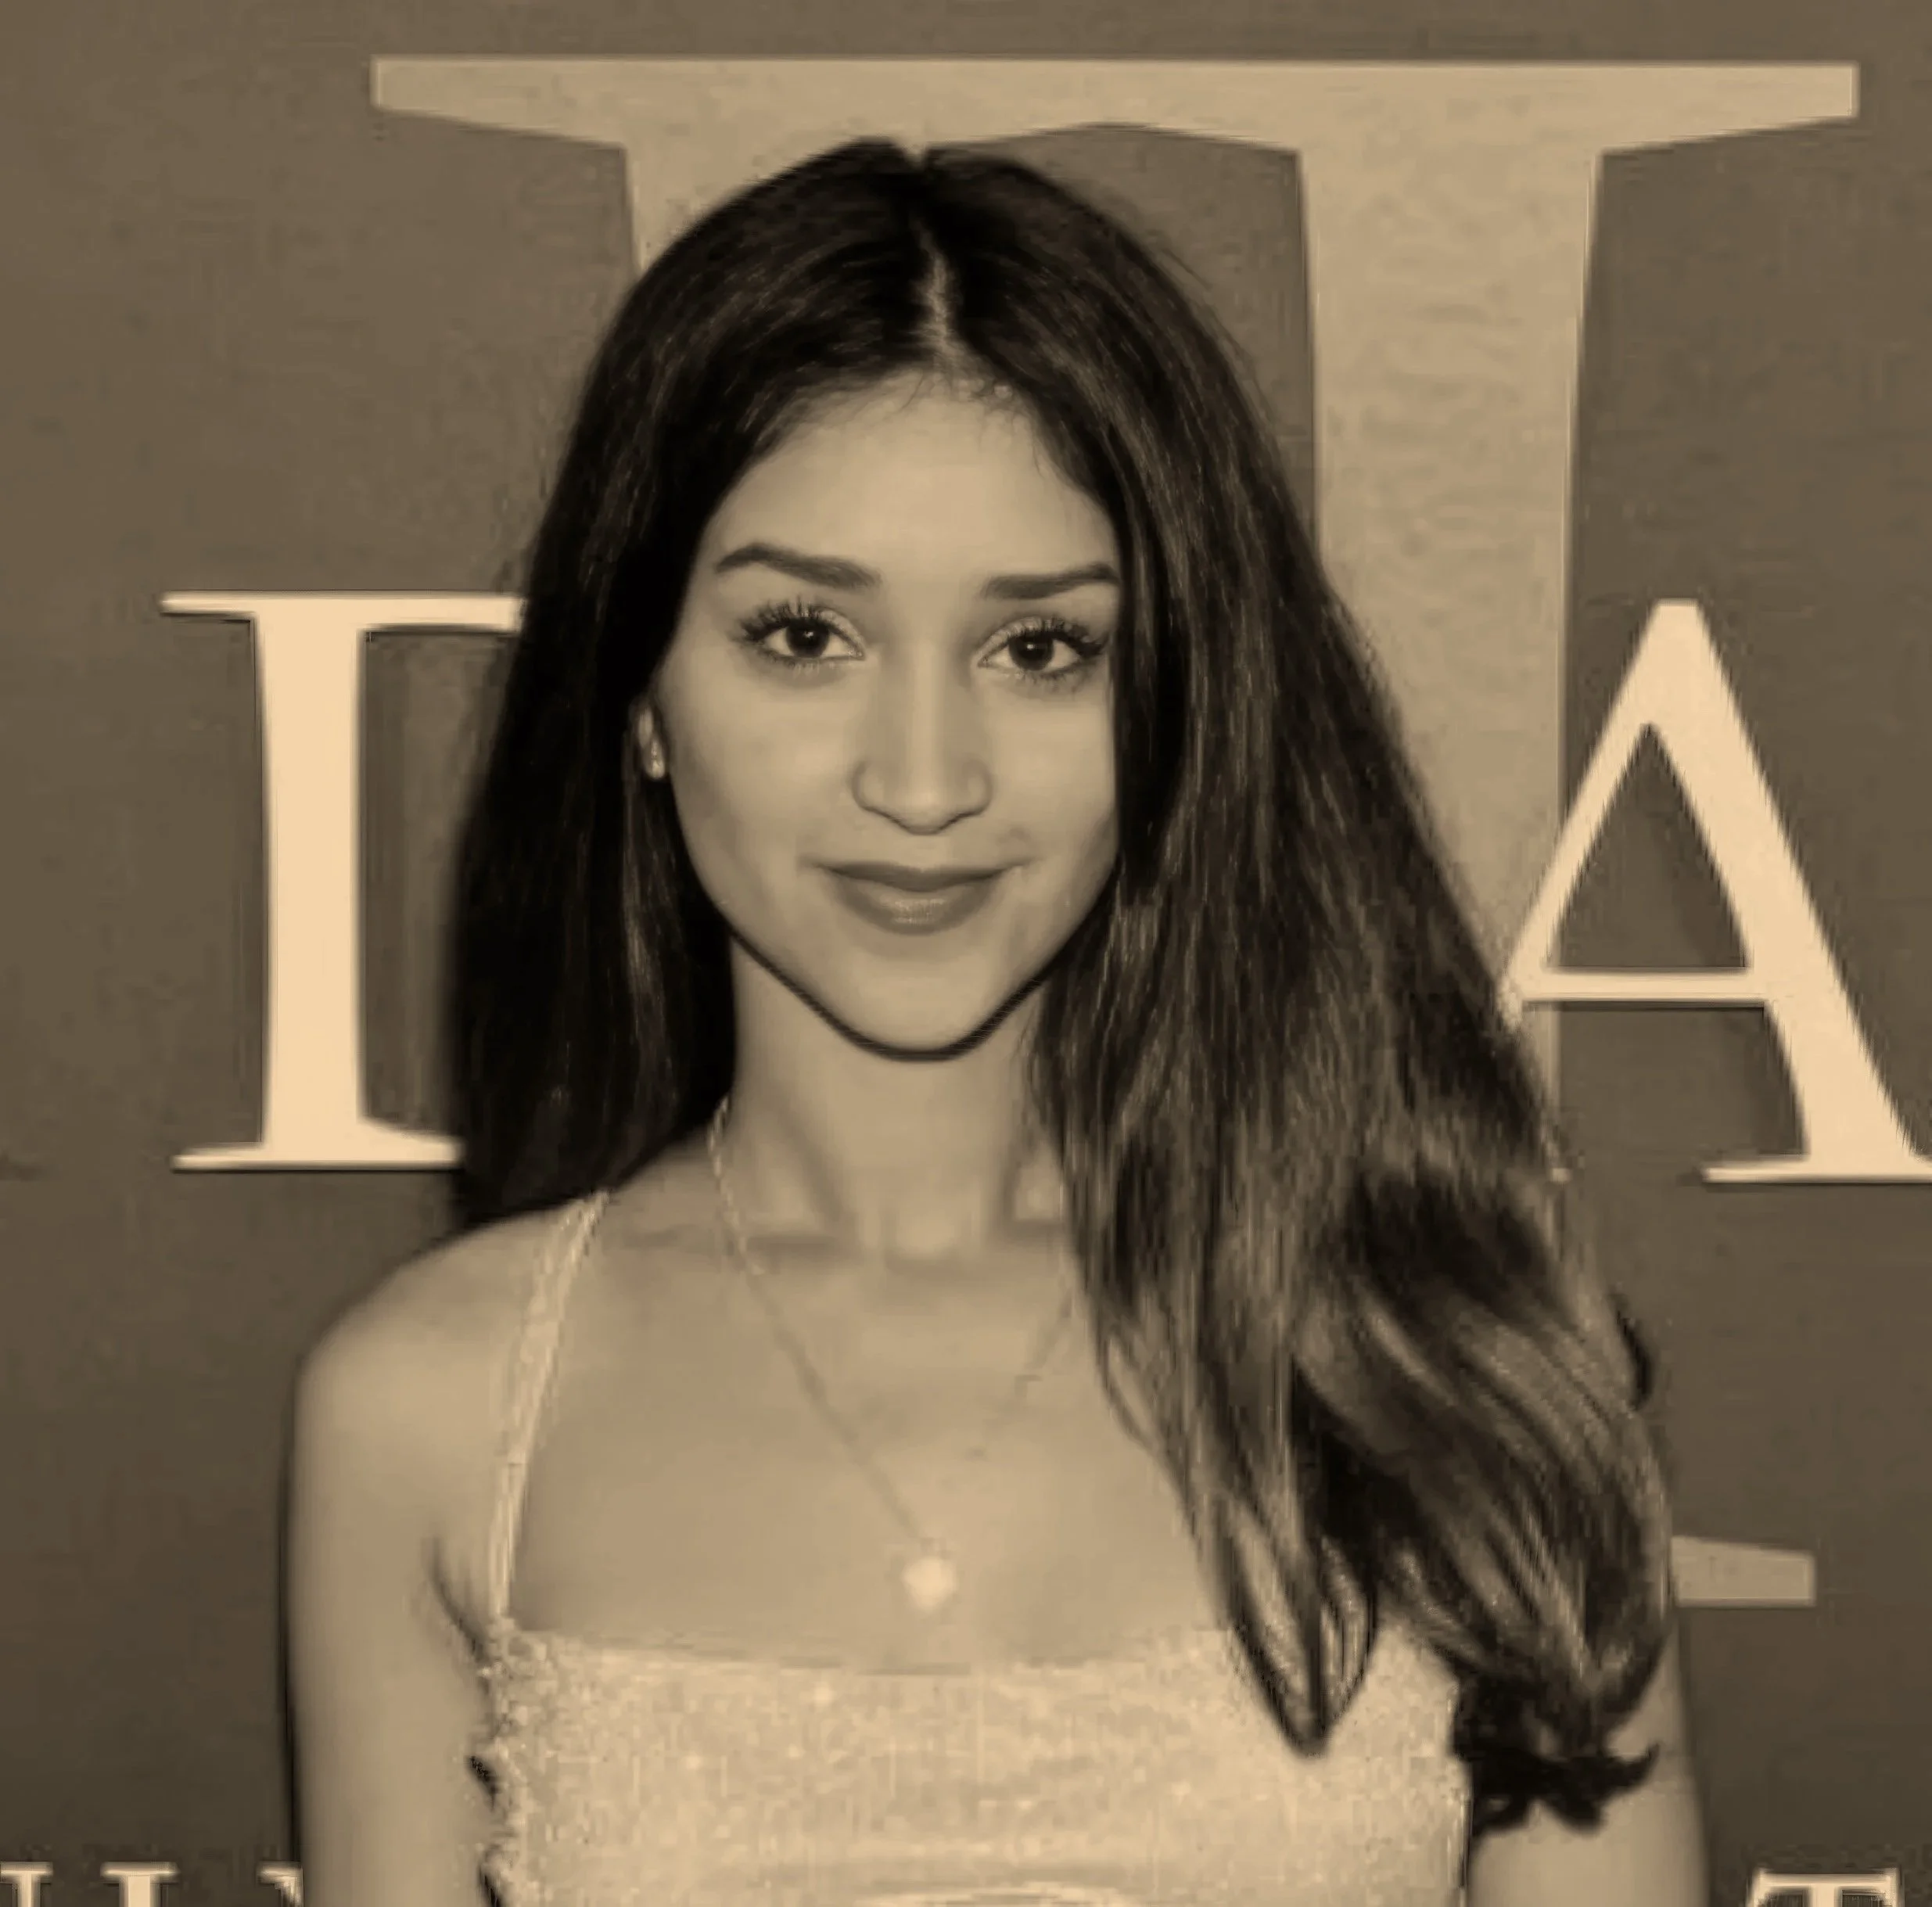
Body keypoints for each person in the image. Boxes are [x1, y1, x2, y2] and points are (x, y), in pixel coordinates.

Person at [284, 137, 1709, 1907]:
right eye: (801, 634)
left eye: (1038, 651)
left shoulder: (1444, 1332)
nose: (924, 779)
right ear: (637, 688)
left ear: (1170, 700)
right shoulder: (430, 1409)